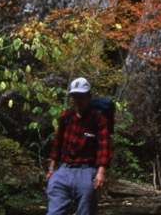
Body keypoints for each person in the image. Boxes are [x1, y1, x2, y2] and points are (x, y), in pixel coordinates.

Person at [46, 77, 113, 215]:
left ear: (88, 97)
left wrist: (101, 172)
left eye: (81, 97)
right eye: (74, 96)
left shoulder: (98, 118)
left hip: (86, 172)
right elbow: (57, 143)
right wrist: (52, 169)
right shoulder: (67, 116)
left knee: (85, 212)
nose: (77, 100)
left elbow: (104, 146)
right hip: (63, 170)